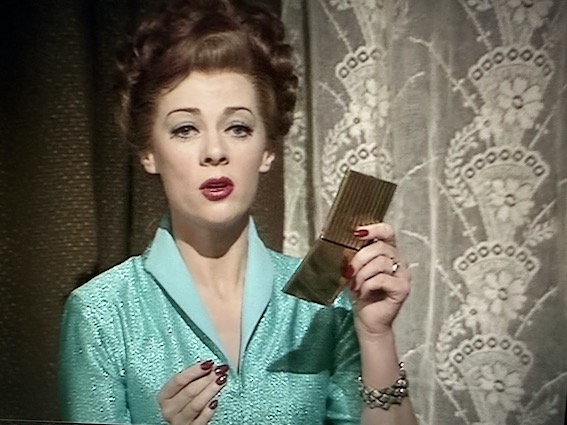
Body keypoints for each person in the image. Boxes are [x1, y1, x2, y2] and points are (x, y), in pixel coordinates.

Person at [58, 1, 417, 424]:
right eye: (185, 129)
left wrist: (376, 335)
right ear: (149, 152)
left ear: (268, 150)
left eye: (238, 128)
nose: (215, 151)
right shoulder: (101, 312)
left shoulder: (321, 307)